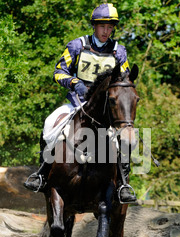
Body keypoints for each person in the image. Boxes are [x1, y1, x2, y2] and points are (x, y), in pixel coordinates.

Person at [24, 3, 137, 203]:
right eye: (103, 26)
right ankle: (41, 174)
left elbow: (125, 80)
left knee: (125, 137)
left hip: (105, 111)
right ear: (94, 26)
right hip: (77, 103)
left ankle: (123, 185)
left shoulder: (119, 52)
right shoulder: (77, 45)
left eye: (110, 27)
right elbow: (58, 72)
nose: (106, 31)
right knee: (50, 123)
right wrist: (75, 83)